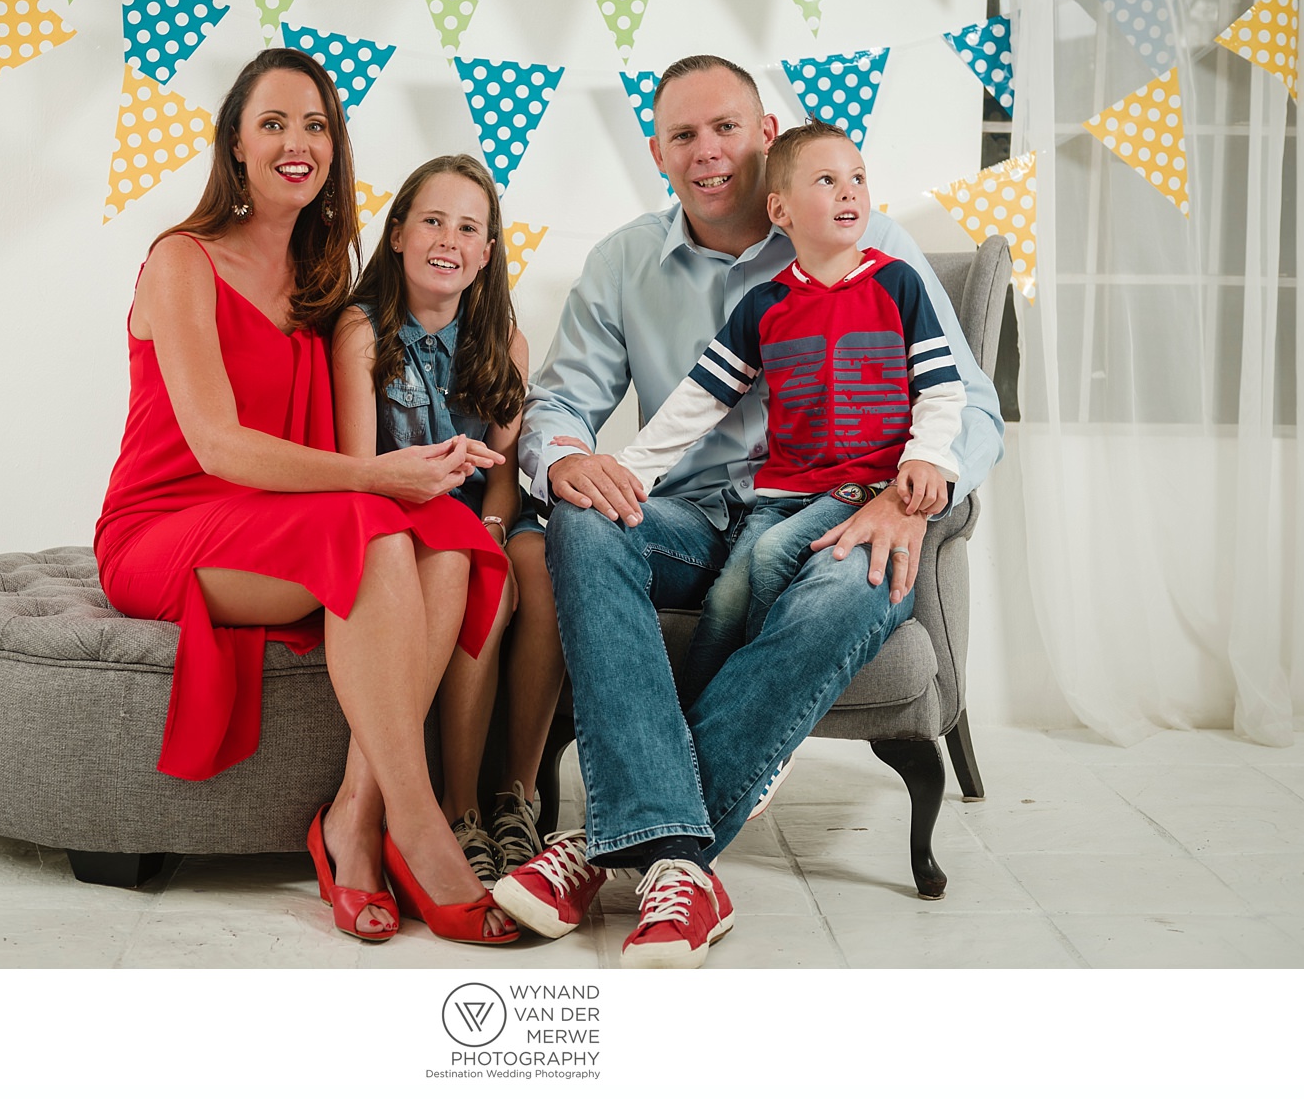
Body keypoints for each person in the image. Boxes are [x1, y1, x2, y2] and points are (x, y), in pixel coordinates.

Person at [492, 55, 1005, 968]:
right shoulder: (622, 263)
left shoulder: (869, 245)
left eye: (726, 127)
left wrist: (912, 495)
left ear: (767, 136)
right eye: (683, 135)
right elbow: (564, 406)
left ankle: (616, 847)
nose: (708, 152)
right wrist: (566, 458)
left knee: (854, 588)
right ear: (657, 153)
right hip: (691, 517)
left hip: (841, 516)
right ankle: (671, 852)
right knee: (577, 519)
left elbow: (972, 405)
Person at [93, 48, 517, 946]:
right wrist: (375, 478)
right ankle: (421, 830)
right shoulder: (182, 260)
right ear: (236, 147)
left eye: (316, 125)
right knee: (374, 527)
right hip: (165, 529)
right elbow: (217, 444)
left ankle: (353, 822)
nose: (298, 142)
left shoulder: (325, 288)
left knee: (445, 530)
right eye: (274, 123)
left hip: (269, 523)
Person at [611, 118, 965, 708]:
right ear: (781, 210)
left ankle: (761, 721)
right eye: (827, 180)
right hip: (781, 491)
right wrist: (633, 469)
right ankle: (693, 728)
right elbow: (700, 400)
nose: (849, 191)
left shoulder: (896, 282)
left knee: (774, 555)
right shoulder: (766, 304)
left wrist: (927, 456)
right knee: (726, 598)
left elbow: (942, 388)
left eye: (857, 178)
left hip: (862, 485)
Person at [332, 154, 565, 884]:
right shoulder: (361, 331)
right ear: (398, 233)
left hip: (487, 514)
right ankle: (458, 806)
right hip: (399, 512)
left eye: (469, 228)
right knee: (481, 588)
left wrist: (495, 527)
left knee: (543, 570)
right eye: (433, 220)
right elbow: (358, 470)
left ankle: (514, 799)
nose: (449, 239)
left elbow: (503, 476)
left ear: (488, 252)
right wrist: (469, 534)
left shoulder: (506, 343)